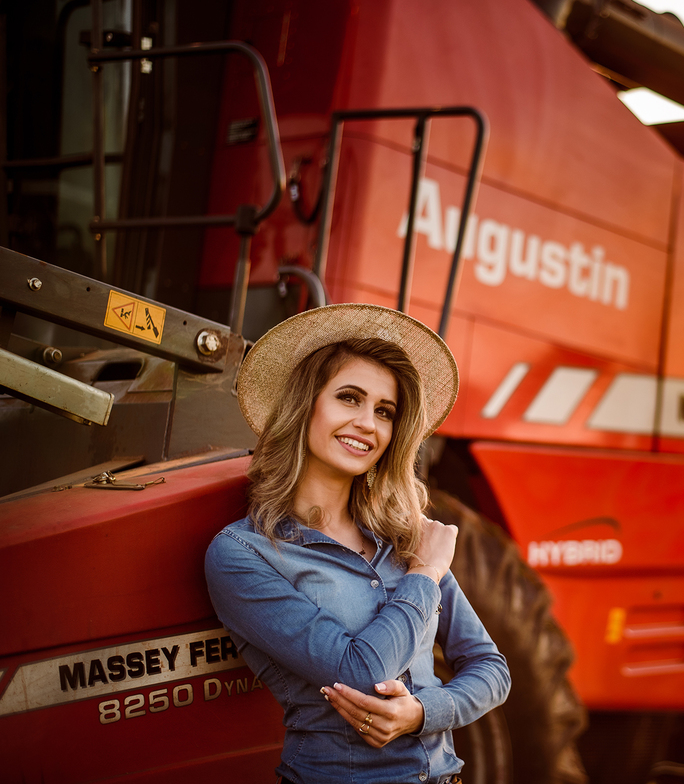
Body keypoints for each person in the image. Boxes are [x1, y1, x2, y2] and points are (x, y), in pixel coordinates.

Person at [205, 303, 510, 784]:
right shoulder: (244, 554)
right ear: (305, 405)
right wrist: (425, 575)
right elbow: (358, 670)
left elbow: (491, 667)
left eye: (384, 411)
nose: (368, 423)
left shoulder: (404, 537)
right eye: (349, 398)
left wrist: (423, 712)